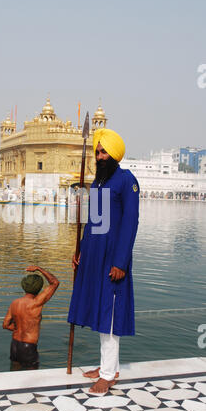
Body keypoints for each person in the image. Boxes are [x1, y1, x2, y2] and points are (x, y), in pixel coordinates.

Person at [68, 128, 140, 394]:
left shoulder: (126, 181)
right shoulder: (99, 183)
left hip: (113, 259)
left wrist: (121, 262)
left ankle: (108, 375)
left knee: (110, 313)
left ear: (115, 154)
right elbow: (94, 224)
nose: (99, 156)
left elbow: (131, 223)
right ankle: (108, 365)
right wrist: (82, 252)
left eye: (103, 151)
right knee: (101, 309)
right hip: (95, 258)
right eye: (97, 152)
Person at [3, 266, 59, 370]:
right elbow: (55, 282)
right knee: (32, 379)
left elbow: (5, 325)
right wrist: (39, 269)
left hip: (14, 345)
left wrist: (17, 329)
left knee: (13, 376)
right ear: (38, 287)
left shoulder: (15, 303)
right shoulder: (36, 303)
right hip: (28, 347)